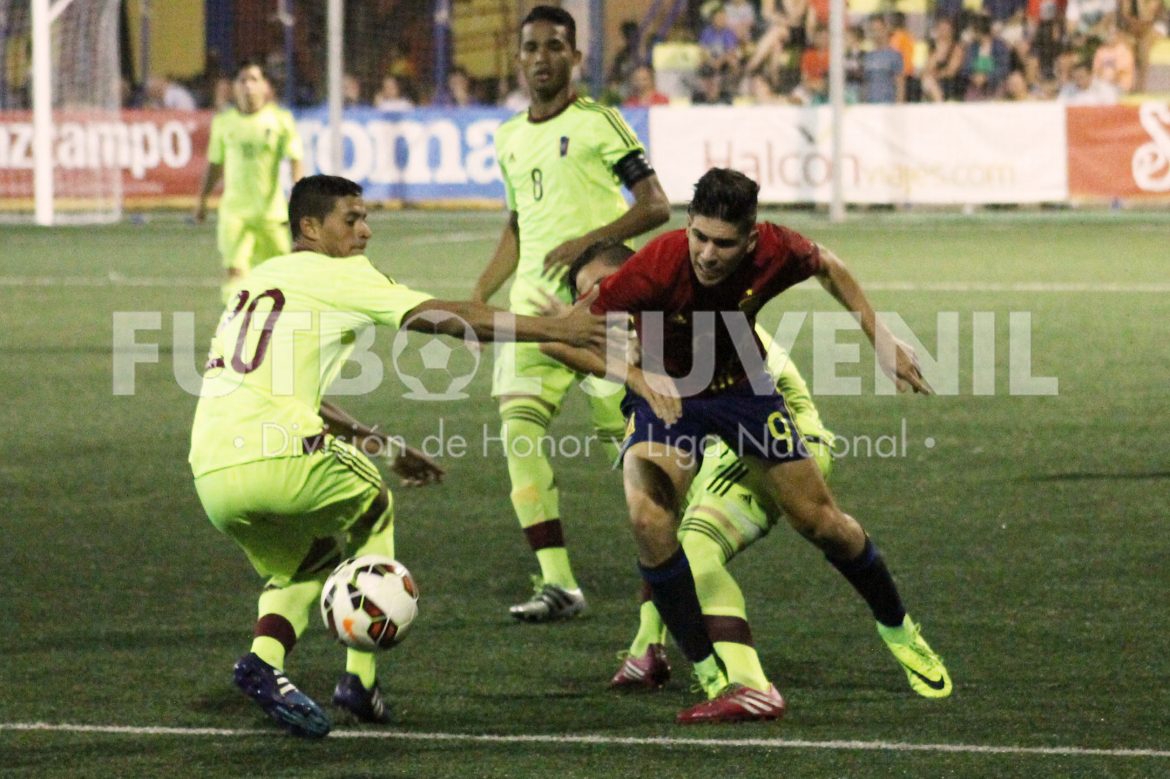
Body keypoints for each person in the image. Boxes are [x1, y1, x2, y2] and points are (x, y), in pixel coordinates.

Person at [189, 174, 607, 738]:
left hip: (211, 471)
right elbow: (448, 320)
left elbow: (283, 389)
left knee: (305, 564)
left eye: (366, 219)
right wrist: (559, 328)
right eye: (351, 219)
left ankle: (264, 664)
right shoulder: (340, 274)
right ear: (310, 228)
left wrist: (380, 443)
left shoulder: (260, 281)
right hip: (280, 454)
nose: (365, 231)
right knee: (375, 507)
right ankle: (359, 679)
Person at [587, 168, 952, 723]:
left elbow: (829, 265)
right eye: (700, 237)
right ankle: (710, 672)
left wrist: (879, 336)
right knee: (649, 518)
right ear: (688, 225)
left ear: (752, 240)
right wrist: (635, 377)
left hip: (743, 390)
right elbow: (573, 334)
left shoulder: (777, 249)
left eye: (724, 243)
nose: (708, 254)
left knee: (822, 523)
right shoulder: (655, 266)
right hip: (669, 396)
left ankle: (900, 631)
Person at [538, 240, 836, 708]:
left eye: (596, 288)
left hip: (775, 445)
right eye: (580, 296)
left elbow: (754, 405)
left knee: (695, 549)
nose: (588, 304)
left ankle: (749, 686)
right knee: (657, 526)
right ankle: (647, 650)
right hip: (726, 444)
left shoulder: (697, 323)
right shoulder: (630, 346)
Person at [471, 5, 671, 623]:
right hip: (533, 314)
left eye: (554, 46)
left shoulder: (599, 124)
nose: (540, 57)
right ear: (519, 57)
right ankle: (558, 583)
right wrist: (479, 296)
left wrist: (592, 244)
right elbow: (516, 223)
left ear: (575, 57)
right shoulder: (508, 137)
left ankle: (668, 588)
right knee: (519, 434)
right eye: (530, 47)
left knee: (635, 450)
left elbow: (656, 204)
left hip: (603, 308)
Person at [195, 59, 304, 303]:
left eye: (254, 80)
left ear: (265, 86)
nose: (248, 86)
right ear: (234, 87)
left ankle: (273, 329)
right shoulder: (224, 123)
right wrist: (202, 201)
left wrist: (299, 196)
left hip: (271, 214)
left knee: (279, 277)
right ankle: (239, 330)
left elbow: (296, 160)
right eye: (242, 80)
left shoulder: (280, 120)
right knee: (236, 273)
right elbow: (214, 165)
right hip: (234, 214)